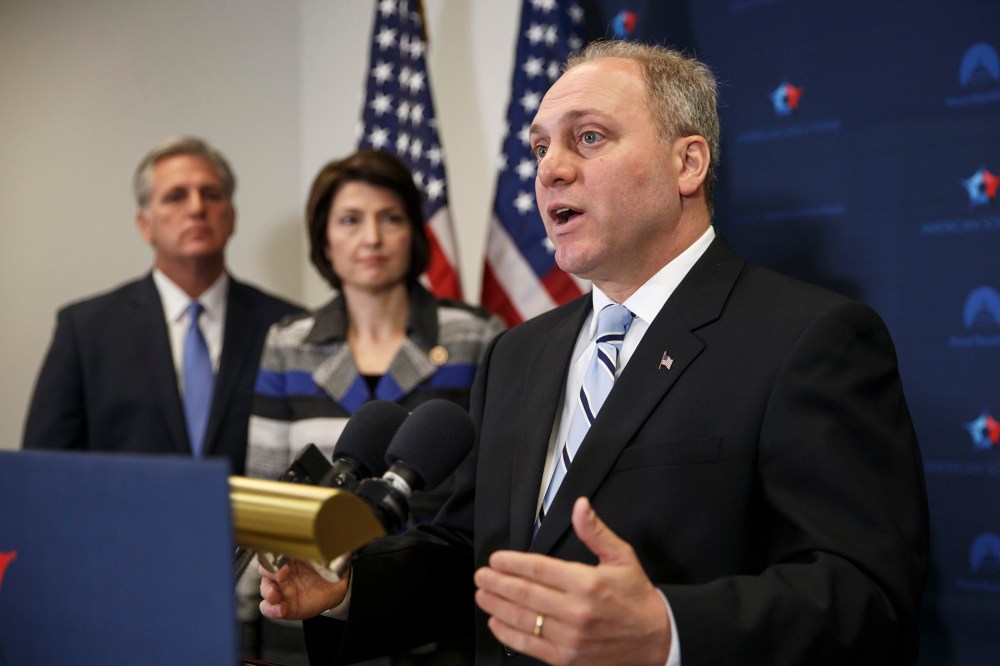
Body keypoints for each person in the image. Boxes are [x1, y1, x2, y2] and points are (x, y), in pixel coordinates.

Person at [259, 42, 929, 665]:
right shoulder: (517, 354)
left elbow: (868, 596)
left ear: (687, 164)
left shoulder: (810, 338)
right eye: (540, 147)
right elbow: (476, 557)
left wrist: (668, 628)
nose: (550, 168)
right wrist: (348, 589)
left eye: (588, 138)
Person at [244, 149, 505, 665]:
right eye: (350, 220)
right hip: (311, 625)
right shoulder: (288, 343)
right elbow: (268, 495)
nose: (372, 238)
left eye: (390, 218)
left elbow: (491, 499)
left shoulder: (475, 336)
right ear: (324, 239)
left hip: (434, 626)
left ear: (414, 233)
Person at [23, 135, 301, 476]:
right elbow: (42, 470)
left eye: (211, 194)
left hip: (251, 529)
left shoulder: (288, 328)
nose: (197, 208)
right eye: (175, 197)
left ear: (231, 217)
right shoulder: (85, 331)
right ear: (145, 225)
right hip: (125, 527)